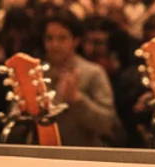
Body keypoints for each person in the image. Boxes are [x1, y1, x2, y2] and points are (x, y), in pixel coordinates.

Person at [41, 13, 119, 147]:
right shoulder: (36, 73)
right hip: (41, 156)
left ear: (75, 41)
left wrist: (77, 100)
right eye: (49, 38)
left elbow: (107, 123)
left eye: (62, 38)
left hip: (83, 157)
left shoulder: (93, 72)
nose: (54, 45)